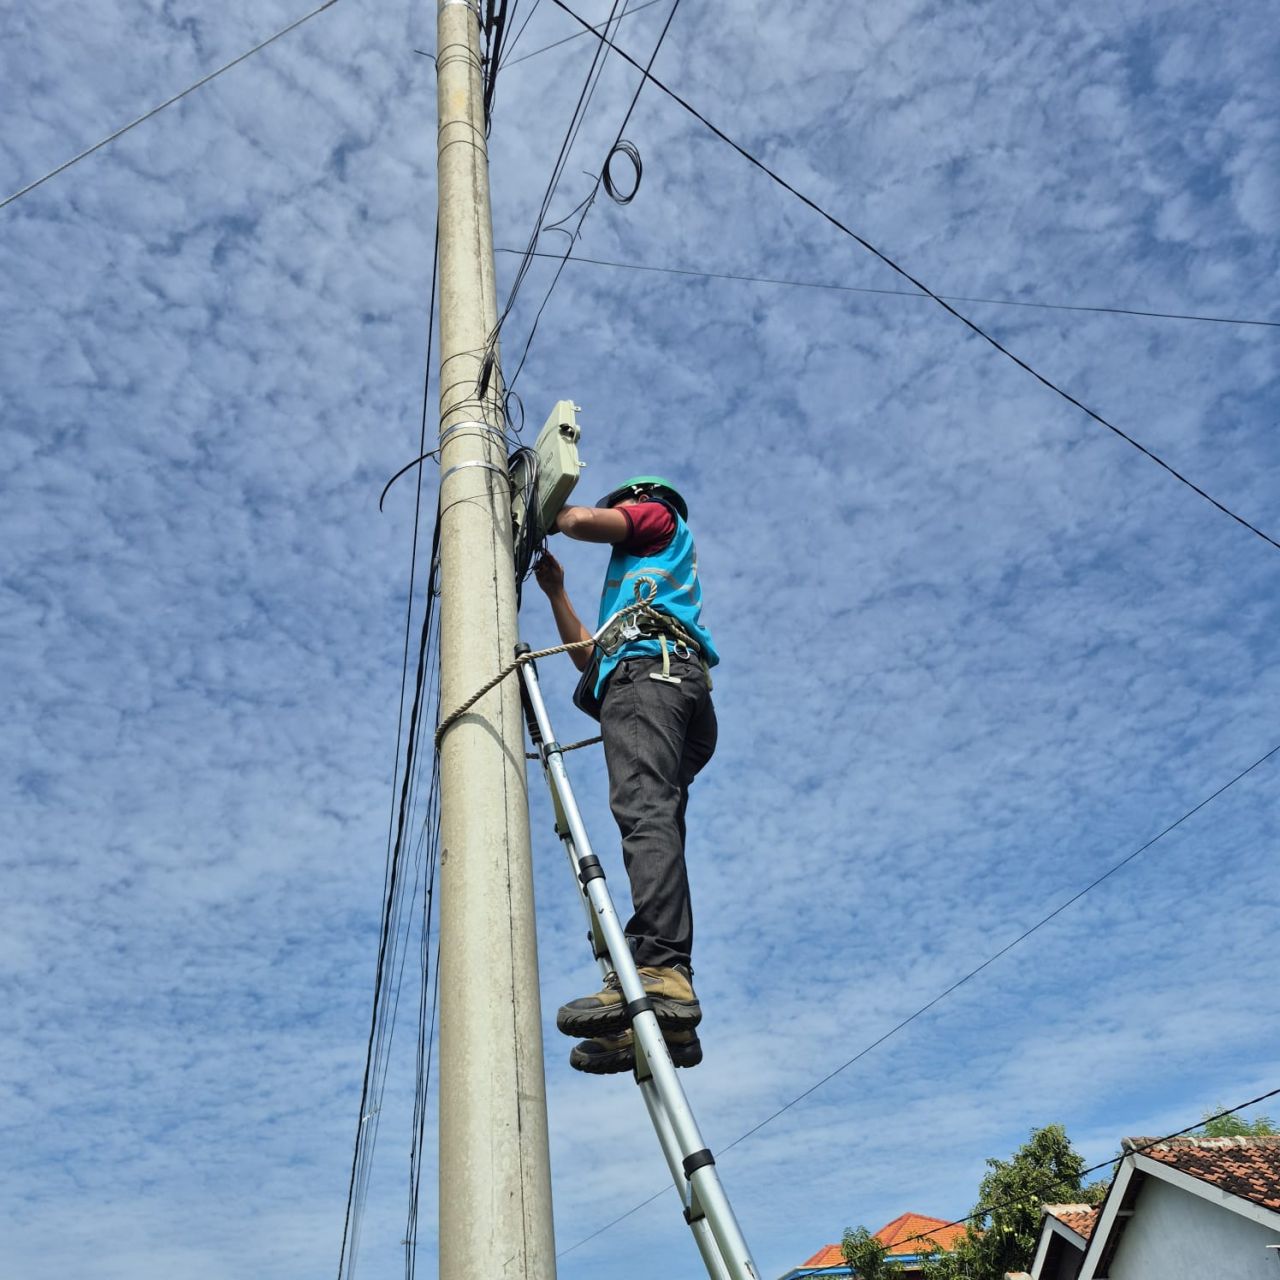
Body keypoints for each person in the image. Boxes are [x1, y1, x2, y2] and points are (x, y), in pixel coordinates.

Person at [533, 476, 720, 1075]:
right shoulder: (634, 600)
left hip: (655, 681)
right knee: (654, 819)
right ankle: (661, 1010)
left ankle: (661, 971)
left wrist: (541, 511)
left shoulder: (660, 519)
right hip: (660, 686)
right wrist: (558, 593)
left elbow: (581, 522)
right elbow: (591, 661)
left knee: (644, 813)